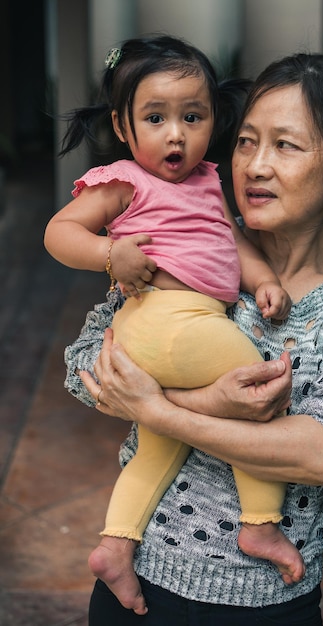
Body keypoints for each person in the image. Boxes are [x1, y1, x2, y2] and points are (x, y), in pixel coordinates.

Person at [70, 51, 323, 625]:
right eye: (247, 142)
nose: (254, 166)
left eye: (286, 145)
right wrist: (206, 404)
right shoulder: (187, 248)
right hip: (138, 594)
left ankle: (262, 528)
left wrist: (163, 409)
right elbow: (88, 366)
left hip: (263, 608)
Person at [44, 35, 303, 617]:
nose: (177, 134)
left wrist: (260, 279)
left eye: (193, 116)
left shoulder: (210, 181)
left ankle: (115, 545)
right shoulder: (122, 181)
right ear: (123, 126)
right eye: (155, 118)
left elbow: (231, 243)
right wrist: (112, 256)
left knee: (158, 446)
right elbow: (58, 233)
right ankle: (260, 523)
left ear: (214, 118)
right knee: (261, 394)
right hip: (166, 320)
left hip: (179, 333)